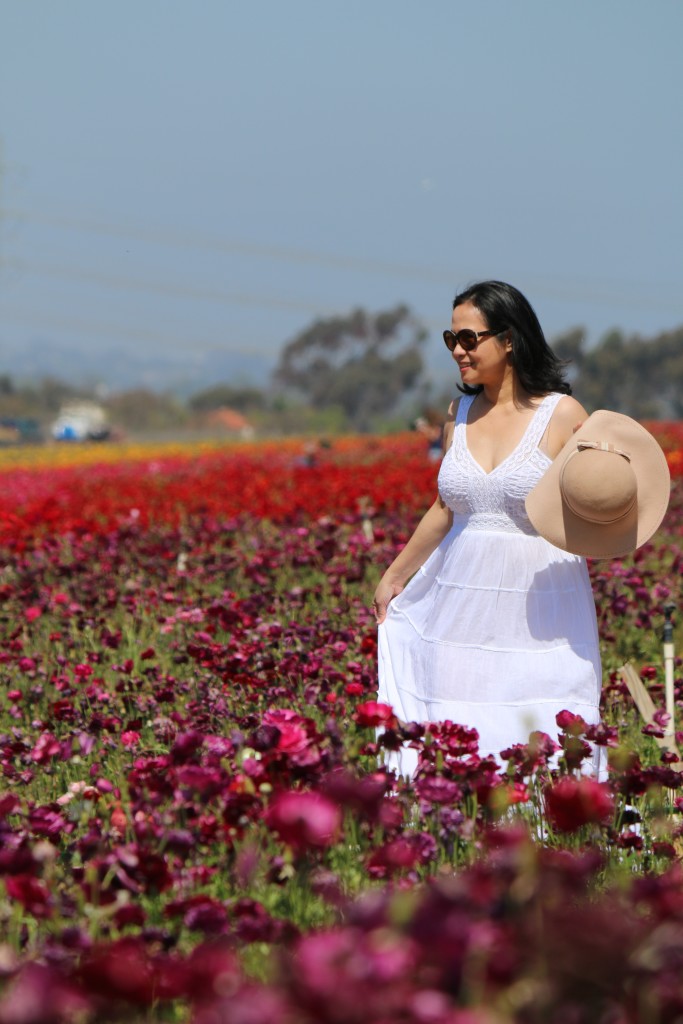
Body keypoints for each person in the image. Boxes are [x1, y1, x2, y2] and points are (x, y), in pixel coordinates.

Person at [373, 280, 604, 778]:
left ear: (510, 339)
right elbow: (445, 507)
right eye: (450, 339)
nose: (457, 350)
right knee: (461, 719)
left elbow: (598, 496)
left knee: (538, 718)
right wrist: (394, 577)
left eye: (469, 339)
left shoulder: (561, 415)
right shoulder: (458, 414)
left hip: (540, 605)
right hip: (458, 600)